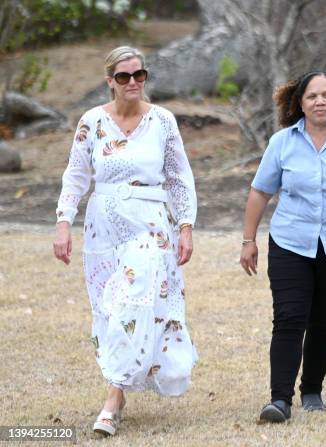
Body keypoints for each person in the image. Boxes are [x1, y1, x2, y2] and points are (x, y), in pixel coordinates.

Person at [53, 46, 198, 436]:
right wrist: (64, 222)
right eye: (123, 76)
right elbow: (76, 176)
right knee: (113, 311)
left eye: (139, 74)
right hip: (104, 228)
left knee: (137, 296)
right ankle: (122, 380)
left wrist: (185, 226)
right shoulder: (92, 122)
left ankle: (112, 400)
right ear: (109, 81)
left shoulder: (163, 121)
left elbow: (178, 177)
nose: (133, 82)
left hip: (150, 227)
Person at [240, 71, 326, 423]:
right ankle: (280, 399)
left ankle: (312, 389)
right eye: (312, 96)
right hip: (290, 242)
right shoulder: (282, 142)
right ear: (299, 103)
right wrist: (248, 239)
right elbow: (260, 191)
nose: (320, 102)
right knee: (288, 318)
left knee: (324, 320)